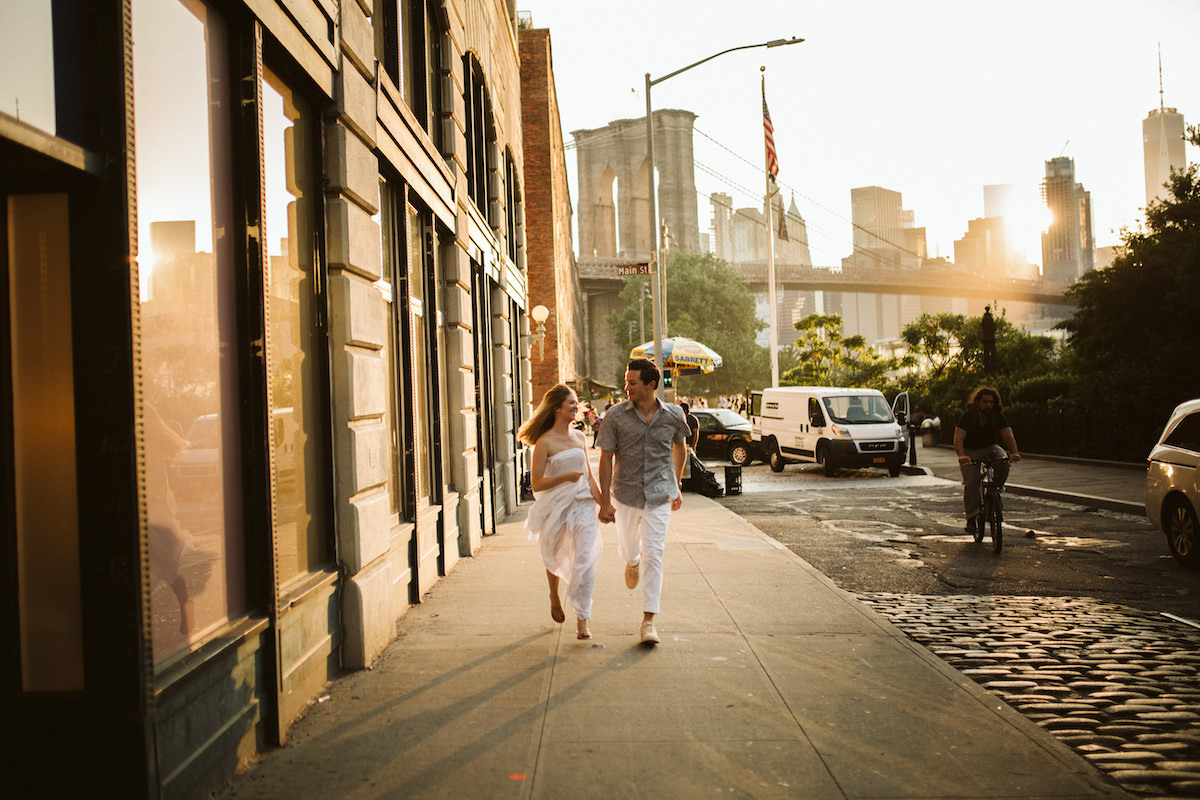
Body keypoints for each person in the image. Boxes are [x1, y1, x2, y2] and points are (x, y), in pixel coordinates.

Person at [597, 359, 690, 645]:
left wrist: (677, 485)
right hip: (625, 494)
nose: (626, 387)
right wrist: (604, 501)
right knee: (629, 549)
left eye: (632, 383)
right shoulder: (615, 415)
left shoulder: (674, 415)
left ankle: (649, 621)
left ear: (651, 385)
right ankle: (631, 560)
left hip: (660, 494)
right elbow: (605, 458)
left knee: (655, 554)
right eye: (626, 382)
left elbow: (680, 449)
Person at [519, 384, 604, 640]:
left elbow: (589, 477)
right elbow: (536, 484)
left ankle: (582, 619)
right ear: (557, 407)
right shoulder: (544, 443)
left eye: (576, 402)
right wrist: (565, 476)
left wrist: (604, 504)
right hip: (556, 507)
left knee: (585, 560)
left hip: (583, 505)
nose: (576, 407)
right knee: (554, 553)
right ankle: (554, 596)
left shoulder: (580, 437)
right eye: (571, 403)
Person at [954, 386, 1021, 534]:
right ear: (978, 402)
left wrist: (1014, 452)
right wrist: (962, 456)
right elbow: (958, 438)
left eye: (991, 402)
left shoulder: (997, 415)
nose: (988, 405)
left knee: (1003, 461)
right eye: (985, 402)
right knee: (971, 483)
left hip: (990, 447)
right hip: (970, 451)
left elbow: (1008, 434)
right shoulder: (968, 416)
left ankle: (995, 491)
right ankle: (971, 518)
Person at [981, 306, 996, 374]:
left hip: (987, 339)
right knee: (992, 357)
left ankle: (989, 373)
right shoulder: (990, 319)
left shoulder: (985, 319)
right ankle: (992, 372)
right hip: (990, 339)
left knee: (987, 357)